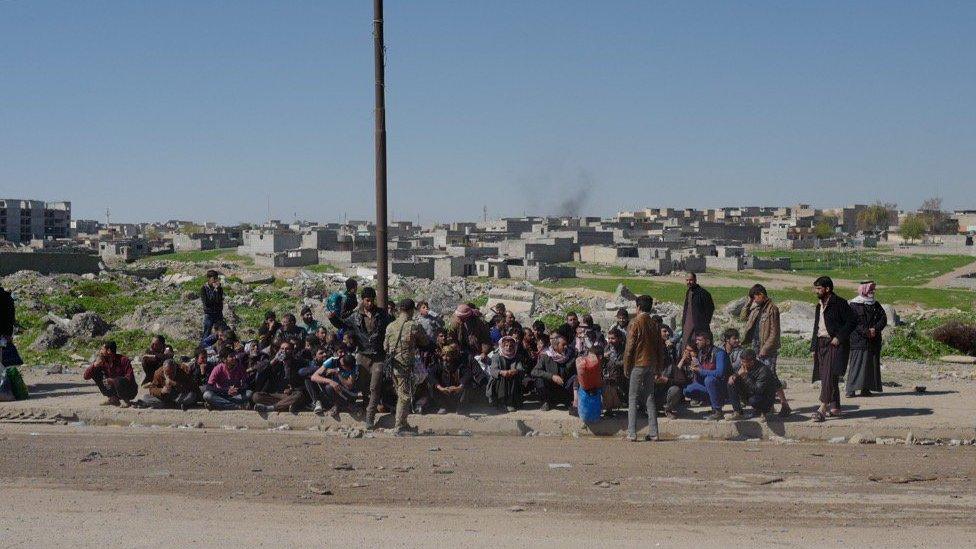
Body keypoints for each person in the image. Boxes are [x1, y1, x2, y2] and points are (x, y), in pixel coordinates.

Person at [329, 287, 392, 429]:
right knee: (363, 386)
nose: (369, 303)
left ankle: (370, 416)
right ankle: (364, 406)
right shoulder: (356, 316)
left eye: (371, 300)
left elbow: (389, 328)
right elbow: (343, 324)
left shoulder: (382, 314)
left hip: (378, 356)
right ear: (362, 300)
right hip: (363, 355)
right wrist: (333, 318)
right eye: (367, 300)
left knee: (375, 387)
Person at [809, 276, 858, 422]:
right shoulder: (819, 305)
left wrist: (839, 337)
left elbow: (852, 321)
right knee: (827, 375)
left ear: (827, 289)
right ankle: (835, 407)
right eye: (815, 288)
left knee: (829, 375)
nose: (816, 291)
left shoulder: (840, 303)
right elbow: (817, 326)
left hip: (834, 343)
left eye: (818, 288)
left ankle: (822, 408)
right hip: (821, 343)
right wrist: (813, 346)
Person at [740, 284, 791, 416]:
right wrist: (748, 302)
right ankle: (767, 406)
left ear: (761, 294)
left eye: (755, 296)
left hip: (767, 349)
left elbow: (774, 332)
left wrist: (765, 348)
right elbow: (743, 317)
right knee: (757, 376)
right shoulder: (756, 308)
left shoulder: (772, 309)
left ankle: (784, 404)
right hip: (756, 347)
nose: (755, 299)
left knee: (771, 376)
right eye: (753, 297)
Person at [383, 298, 430, 435]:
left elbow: (385, 346)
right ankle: (399, 426)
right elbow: (425, 341)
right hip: (405, 365)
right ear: (411, 310)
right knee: (404, 396)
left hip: (393, 365)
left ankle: (403, 423)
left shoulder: (390, 326)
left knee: (401, 393)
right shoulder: (413, 326)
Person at [623, 295, 666, 442]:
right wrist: (659, 367)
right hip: (651, 364)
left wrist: (626, 366)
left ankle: (632, 432)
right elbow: (660, 347)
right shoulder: (655, 324)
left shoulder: (634, 323)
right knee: (650, 397)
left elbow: (629, 348)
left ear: (638, 307)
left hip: (638, 364)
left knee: (633, 398)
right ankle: (654, 432)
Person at [846, 281, 888, 398]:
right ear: (863, 290)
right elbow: (854, 322)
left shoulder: (875, 304)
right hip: (859, 340)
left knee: (870, 365)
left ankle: (865, 389)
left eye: (873, 290)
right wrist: (867, 332)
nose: (872, 292)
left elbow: (883, 319)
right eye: (870, 290)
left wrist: (875, 329)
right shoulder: (854, 304)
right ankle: (851, 390)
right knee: (857, 364)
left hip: (873, 340)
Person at [682, 330, 730, 420]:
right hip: (709, 385)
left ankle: (718, 411)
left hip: (723, 386)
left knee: (709, 380)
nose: (696, 342)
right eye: (696, 340)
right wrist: (695, 369)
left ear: (707, 341)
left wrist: (701, 371)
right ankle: (712, 403)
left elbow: (720, 373)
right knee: (687, 390)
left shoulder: (719, 353)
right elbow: (701, 375)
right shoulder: (701, 353)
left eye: (699, 340)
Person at [252, 340, 308, 414]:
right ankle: (285, 405)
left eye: (287, 349)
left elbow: (304, 384)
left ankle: (271, 408)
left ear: (292, 351)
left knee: (299, 395)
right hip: (276, 395)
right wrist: (274, 360)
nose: (284, 351)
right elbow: (260, 374)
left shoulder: (298, 364)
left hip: (290, 395)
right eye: (282, 349)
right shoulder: (275, 363)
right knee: (256, 396)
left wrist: (292, 389)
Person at [727, 349, 782, 419]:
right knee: (731, 383)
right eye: (741, 361)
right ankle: (738, 412)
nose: (742, 363)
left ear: (752, 362)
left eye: (744, 362)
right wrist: (734, 376)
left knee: (753, 400)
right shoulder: (743, 366)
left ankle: (765, 411)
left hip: (764, 397)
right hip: (750, 393)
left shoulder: (763, 370)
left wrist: (745, 377)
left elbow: (758, 390)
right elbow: (737, 374)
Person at [531, 333, 577, 412]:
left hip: (564, 386)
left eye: (566, 344)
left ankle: (572, 402)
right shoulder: (546, 356)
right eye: (563, 345)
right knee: (539, 380)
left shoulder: (570, 355)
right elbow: (534, 371)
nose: (566, 347)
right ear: (556, 346)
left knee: (576, 378)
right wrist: (552, 376)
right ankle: (546, 402)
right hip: (550, 387)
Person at [83, 341, 137, 407]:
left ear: (108, 351)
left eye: (102, 349)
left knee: (118, 380)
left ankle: (126, 400)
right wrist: (94, 365)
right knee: (95, 372)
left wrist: (113, 381)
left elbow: (130, 378)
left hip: (129, 390)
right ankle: (113, 398)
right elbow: (86, 376)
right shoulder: (102, 361)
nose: (100, 351)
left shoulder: (123, 360)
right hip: (113, 390)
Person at [306, 353, 360, 420]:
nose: (349, 370)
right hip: (337, 390)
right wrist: (330, 381)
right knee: (308, 378)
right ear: (343, 365)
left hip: (350, 393)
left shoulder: (354, 365)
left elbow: (349, 385)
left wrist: (338, 373)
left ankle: (342, 405)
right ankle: (319, 403)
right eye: (347, 368)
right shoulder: (332, 361)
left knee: (329, 387)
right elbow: (314, 377)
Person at [488, 335, 527, 411]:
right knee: (502, 377)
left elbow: (521, 369)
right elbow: (493, 371)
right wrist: (502, 372)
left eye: (511, 346)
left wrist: (516, 371)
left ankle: (510, 402)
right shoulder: (496, 356)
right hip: (498, 382)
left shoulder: (517, 356)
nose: (508, 348)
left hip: (512, 381)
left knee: (514, 376)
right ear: (502, 346)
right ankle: (501, 402)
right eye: (506, 345)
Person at [681, 272, 714, 347]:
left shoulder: (703, 293)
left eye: (691, 280)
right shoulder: (689, 292)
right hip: (687, 325)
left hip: (699, 327)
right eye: (687, 280)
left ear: (695, 280)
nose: (689, 282)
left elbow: (710, 309)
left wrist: (704, 323)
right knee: (686, 345)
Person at [601, 328, 628, 416]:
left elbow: (625, 362)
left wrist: (614, 362)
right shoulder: (607, 347)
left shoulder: (624, 349)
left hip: (621, 376)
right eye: (609, 338)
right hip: (608, 375)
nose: (610, 341)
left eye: (613, 338)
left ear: (619, 339)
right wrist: (603, 356)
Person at [0, 283, 24, 368]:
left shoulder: (6, 298)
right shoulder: (7, 298)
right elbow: (10, 318)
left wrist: (8, 334)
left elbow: (9, 318)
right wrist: (8, 334)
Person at [200, 270, 225, 341]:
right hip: (209, 314)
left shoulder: (219, 288)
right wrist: (214, 292)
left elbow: (219, 300)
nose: (215, 280)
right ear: (209, 278)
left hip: (218, 314)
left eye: (216, 278)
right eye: (213, 278)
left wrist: (217, 289)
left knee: (221, 332)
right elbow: (206, 302)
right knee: (207, 333)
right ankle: (203, 347)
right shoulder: (204, 289)